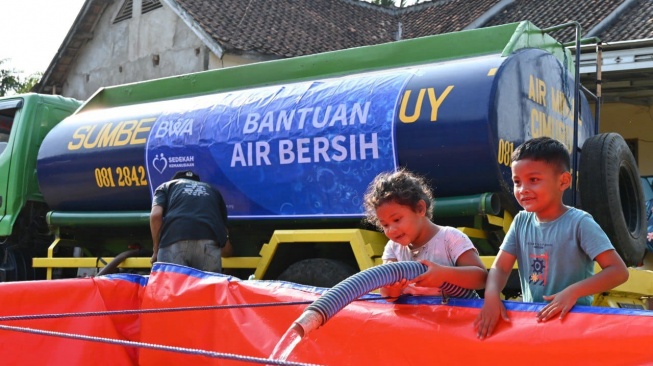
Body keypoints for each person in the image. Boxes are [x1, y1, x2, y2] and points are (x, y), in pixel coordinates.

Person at [474, 137, 629, 339]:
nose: (523, 190)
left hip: (572, 327)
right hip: (533, 325)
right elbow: (500, 268)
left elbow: (618, 271)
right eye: (517, 182)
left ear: (563, 181)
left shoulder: (580, 223)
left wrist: (572, 292)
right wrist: (492, 296)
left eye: (534, 180)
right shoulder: (521, 221)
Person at [363, 168, 487, 301]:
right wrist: (392, 289)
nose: (391, 230)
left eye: (397, 220)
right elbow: (387, 295)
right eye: (385, 225)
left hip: (455, 318)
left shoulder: (450, 238)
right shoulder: (393, 248)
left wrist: (443, 275)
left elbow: (481, 278)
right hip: (415, 320)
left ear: (420, 209)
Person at [150, 170, 233, 272]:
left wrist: (156, 250)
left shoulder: (166, 186)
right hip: (208, 241)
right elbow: (221, 226)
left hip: (173, 240)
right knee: (207, 287)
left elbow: (155, 215)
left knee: (173, 287)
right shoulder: (212, 190)